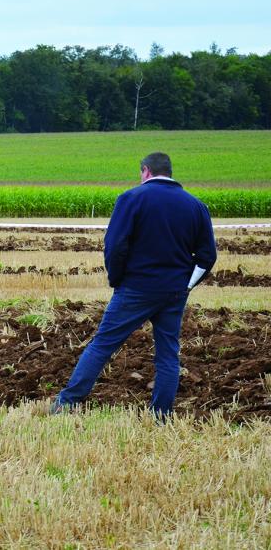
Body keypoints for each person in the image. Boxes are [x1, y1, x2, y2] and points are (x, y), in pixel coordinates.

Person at [51, 152, 217, 419]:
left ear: (146, 171)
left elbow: (115, 245)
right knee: (168, 353)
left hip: (136, 288)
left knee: (103, 344)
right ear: (170, 172)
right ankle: (161, 414)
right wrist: (186, 286)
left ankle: (67, 402)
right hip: (174, 291)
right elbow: (208, 256)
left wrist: (116, 279)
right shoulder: (196, 206)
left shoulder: (131, 199)